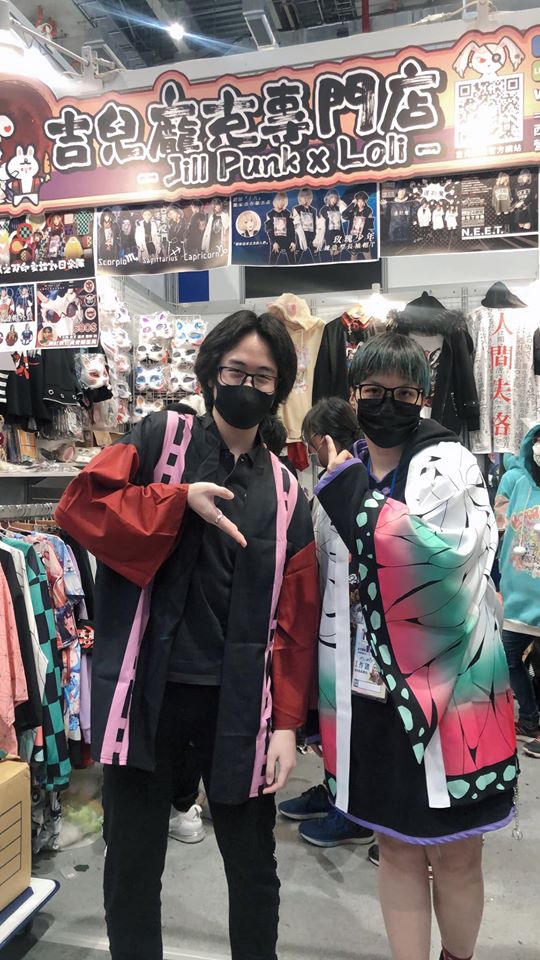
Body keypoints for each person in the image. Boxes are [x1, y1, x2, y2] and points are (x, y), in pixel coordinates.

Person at [55, 309, 320, 960]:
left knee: (253, 868)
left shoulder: (287, 492)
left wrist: (287, 726)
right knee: (132, 864)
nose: (247, 386)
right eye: (236, 371)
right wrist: (175, 501)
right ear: (210, 374)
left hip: (241, 706)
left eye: (263, 377)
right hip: (147, 697)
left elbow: (296, 620)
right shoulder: (159, 440)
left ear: (279, 388)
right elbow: (79, 507)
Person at [311, 332, 516, 960]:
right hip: (366, 695)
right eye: (373, 391)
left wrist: (351, 496)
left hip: (451, 694)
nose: (387, 404)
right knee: (395, 845)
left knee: (456, 852)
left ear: (423, 399)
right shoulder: (345, 467)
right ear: (353, 394)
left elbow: (441, 566)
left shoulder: (448, 463)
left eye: (404, 393)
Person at [279, 398, 375, 849]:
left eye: (311, 443)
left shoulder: (361, 481)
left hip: (356, 628)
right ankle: (336, 789)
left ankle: (355, 812)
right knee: (332, 717)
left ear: (323, 439)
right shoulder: (332, 480)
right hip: (330, 619)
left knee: (352, 719)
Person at [499, 423, 540, 754]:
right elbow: (509, 537)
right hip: (517, 601)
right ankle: (529, 717)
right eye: (538, 440)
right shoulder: (521, 484)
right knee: (508, 658)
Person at [265, 192, 296, 265]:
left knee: (293, 262)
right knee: (272, 263)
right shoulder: (270, 214)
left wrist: (293, 241)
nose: (281, 202)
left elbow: (291, 229)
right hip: (276, 242)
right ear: (275, 201)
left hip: (288, 241)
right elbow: (269, 230)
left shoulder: (288, 213)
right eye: (279, 200)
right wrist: (274, 242)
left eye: (283, 201)